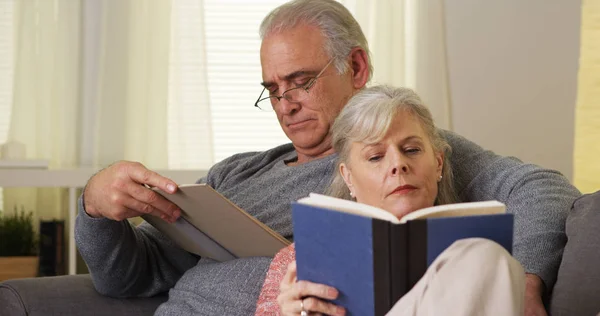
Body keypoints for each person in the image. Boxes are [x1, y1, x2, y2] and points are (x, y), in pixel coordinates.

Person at [75, 0, 580, 315]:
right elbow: (128, 278)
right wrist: (96, 206)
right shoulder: (233, 173)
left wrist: (527, 281)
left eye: (301, 81)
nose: (286, 103)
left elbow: (545, 188)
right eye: (272, 90)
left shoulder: (403, 150)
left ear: (356, 66)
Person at [255, 85, 526, 316]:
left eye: (411, 150)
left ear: (439, 163)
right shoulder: (296, 261)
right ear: (348, 178)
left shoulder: (481, 256)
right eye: (375, 157)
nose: (398, 164)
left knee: (486, 256)